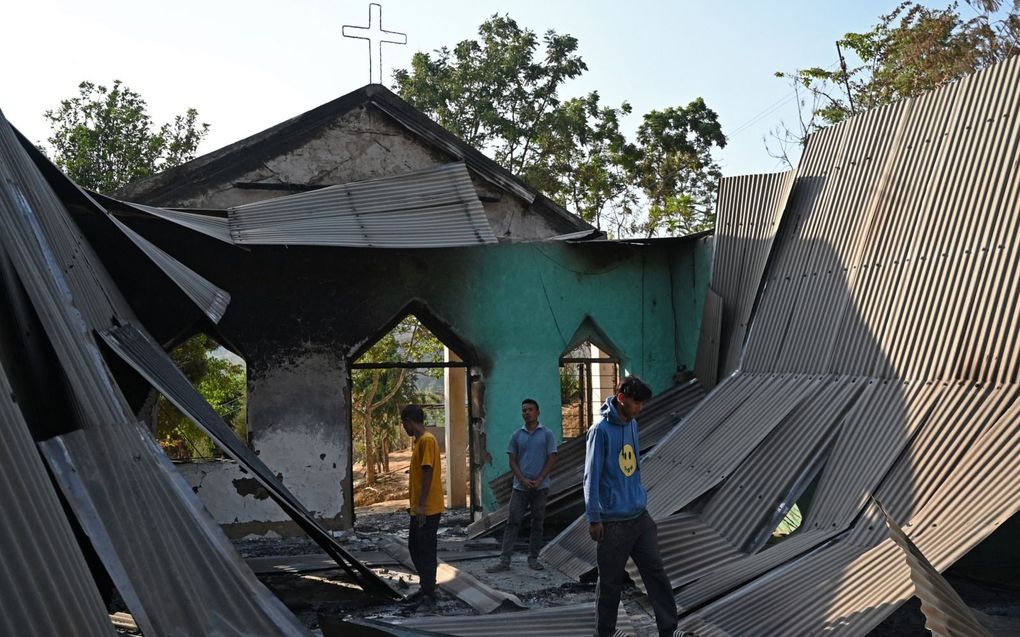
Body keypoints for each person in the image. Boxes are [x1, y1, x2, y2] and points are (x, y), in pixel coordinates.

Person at [583, 376, 677, 637]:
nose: (640, 408)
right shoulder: (600, 430)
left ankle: (668, 629)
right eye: (637, 403)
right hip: (612, 523)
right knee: (611, 583)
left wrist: (639, 497)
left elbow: (632, 467)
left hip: (639, 517)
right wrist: (594, 518)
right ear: (622, 398)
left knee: (655, 573)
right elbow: (591, 476)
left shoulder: (632, 424)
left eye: (643, 404)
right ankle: (604, 632)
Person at [486, 398, 557, 572]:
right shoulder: (517, 435)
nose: (527, 413)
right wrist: (523, 480)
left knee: (537, 523)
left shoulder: (547, 434)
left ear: (537, 412)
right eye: (524, 410)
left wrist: (539, 479)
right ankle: (504, 561)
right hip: (520, 487)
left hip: (540, 487)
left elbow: (552, 458)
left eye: (530, 410)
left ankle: (533, 559)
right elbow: (512, 461)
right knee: (512, 522)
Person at [399, 404, 445, 610]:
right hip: (419, 507)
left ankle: (429, 592)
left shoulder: (427, 440)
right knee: (415, 548)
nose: (404, 429)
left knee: (425, 550)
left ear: (408, 421)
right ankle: (426, 587)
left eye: (404, 424)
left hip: (428, 507)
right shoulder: (419, 442)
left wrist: (422, 505)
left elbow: (428, 472)